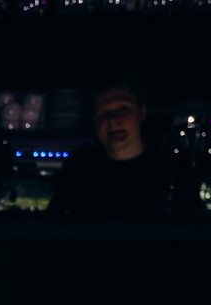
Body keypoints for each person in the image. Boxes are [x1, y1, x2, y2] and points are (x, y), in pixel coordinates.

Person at [50, 75, 177, 218]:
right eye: (103, 114)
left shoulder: (169, 168)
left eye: (123, 109)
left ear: (141, 112)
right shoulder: (79, 168)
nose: (113, 120)